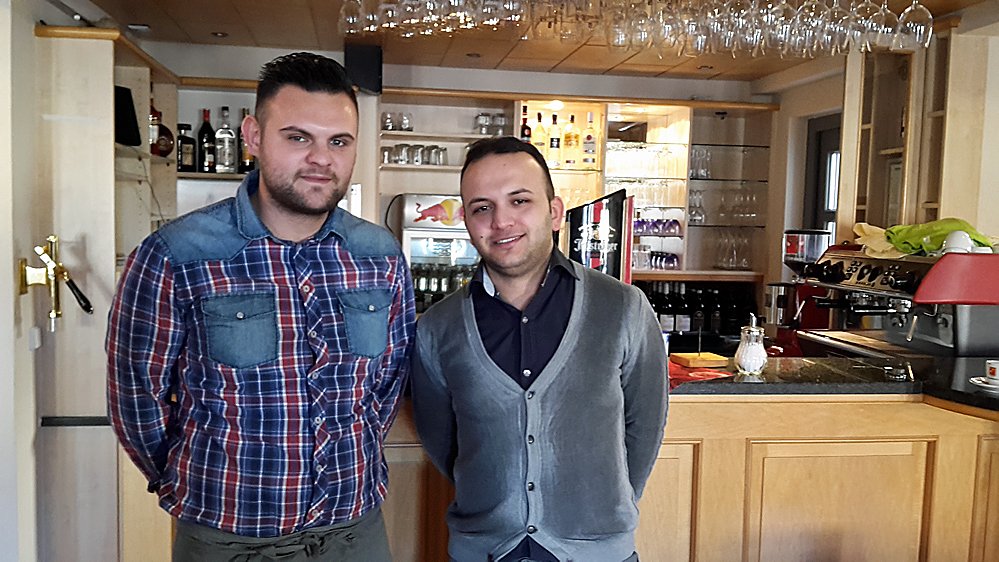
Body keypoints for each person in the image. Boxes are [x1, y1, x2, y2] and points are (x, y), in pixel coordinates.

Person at [106, 52, 415, 561]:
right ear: (253, 136)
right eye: (298, 138)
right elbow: (136, 394)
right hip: (227, 536)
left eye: (339, 141)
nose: (321, 159)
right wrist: (185, 478)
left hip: (353, 530)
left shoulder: (378, 255)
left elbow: (386, 383)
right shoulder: (177, 254)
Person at [412, 136, 668, 562]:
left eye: (520, 201)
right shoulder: (438, 327)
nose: (501, 221)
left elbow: (645, 425)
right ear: (467, 222)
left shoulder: (622, 307)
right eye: (482, 208)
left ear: (554, 212)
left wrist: (604, 511)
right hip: (483, 552)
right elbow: (442, 440)